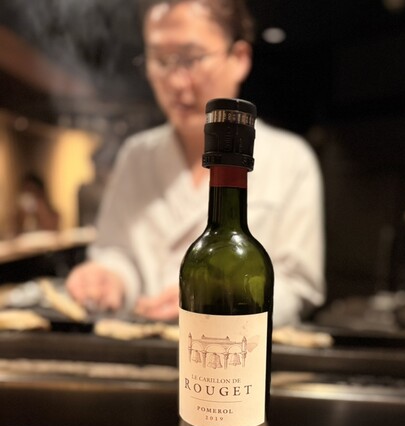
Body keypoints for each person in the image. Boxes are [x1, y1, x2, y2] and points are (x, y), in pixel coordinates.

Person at [66, 0, 325, 326]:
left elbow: (298, 285)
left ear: (239, 59)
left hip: (235, 346)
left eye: (193, 59)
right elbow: (118, 253)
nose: (176, 82)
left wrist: (212, 298)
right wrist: (109, 277)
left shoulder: (290, 159)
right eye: (161, 61)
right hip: (146, 344)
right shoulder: (136, 155)